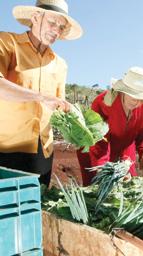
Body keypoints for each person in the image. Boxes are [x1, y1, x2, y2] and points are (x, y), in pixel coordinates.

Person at [0, 0, 82, 186]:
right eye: (52, 22)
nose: (56, 30)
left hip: (42, 152)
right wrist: (40, 97)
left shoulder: (60, 64)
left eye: (61, 27)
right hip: (6, 147)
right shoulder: (8, 42)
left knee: (35, 208)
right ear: (35, 17)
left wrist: (75, 123)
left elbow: (57, 105)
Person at [77, 66, 143, 186]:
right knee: (96, 189)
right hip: (94, 149)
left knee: (129, 186)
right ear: (123, 90)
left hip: (124, 147)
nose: (137, 101)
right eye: (133, 95)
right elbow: (98, 141)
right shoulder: (103, 102)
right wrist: (105, 171)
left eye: (140, 98)